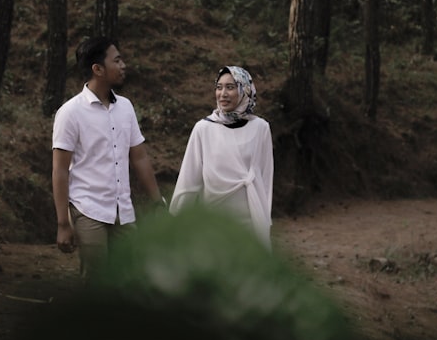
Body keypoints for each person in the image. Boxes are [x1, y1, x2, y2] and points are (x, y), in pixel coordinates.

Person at [51, 36, 164, 276]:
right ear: (98, 69)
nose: (123, 66)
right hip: (87, 208)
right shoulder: (70, 112)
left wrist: (157, 202)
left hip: (123, 210)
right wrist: (63, 224)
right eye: (117, 60)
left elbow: (140, 158)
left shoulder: (126, 107)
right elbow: (60, 169)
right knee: (96, 278)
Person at [169, 66, 274, 248]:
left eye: (230, 87)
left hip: (251, 224)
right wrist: (173, 222)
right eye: (219, 87)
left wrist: (264, 218)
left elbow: (265, 180)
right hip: (214, 225)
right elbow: (188, 181)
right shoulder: (203, 129)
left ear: (244, 90)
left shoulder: (261, 128)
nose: (223, 93)